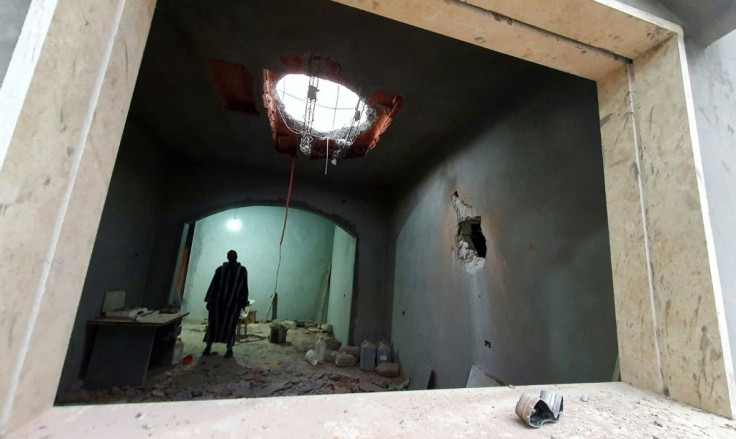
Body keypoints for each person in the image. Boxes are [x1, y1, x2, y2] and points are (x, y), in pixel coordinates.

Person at [203, 250, 249, 358]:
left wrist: (243, 302)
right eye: (229, 255)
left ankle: (229, 349)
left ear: (236, 257)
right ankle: (208, 347)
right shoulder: (220, 270)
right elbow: (213, 285)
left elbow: (244, 287)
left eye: (233, 255)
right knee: (213, 325)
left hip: (233, 304)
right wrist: (209, 301)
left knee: (230, 326)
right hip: (218, 304)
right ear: (227, 257)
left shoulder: (242, 271)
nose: (231, 257)